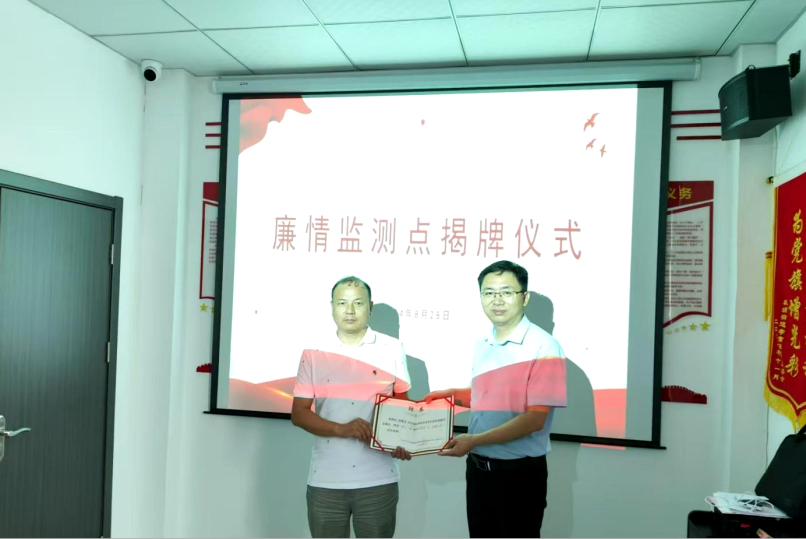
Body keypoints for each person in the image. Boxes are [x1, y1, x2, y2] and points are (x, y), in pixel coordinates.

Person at [424, 260, 567, 538]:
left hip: (519, 477)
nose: (497, 300)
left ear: (524, 297)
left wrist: (474, 440)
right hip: (479, 472)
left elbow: (535, 419)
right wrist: (451, 396)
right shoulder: (483, 342)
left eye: (506, 292)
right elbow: (486, 396)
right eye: (489, 292)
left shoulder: (544, 346)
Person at [291, 276, 412, 539]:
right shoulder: (313, 352)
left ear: (370, 307)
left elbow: (403, 408)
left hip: (378, 479)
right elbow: (298, 414)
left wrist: (405, 440)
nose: (349, 310)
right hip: (326, 479)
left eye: (358, 303)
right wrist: (342, 429)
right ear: (331, 307)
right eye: (342, 303)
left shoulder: (392, 348)